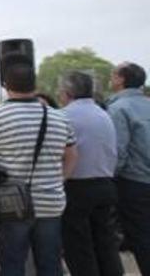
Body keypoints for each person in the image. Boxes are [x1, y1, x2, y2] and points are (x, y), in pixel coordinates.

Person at [0, 63, 78, 276]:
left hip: (11, 203)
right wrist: (60, 180)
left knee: (12, 263)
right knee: (50, 263)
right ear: (35, 84)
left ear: (5, 85)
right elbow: (72, 155)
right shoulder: (60, 117)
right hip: (51, 201)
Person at [58, 71, 123, 276]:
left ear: (67, 92)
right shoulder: (104, 113)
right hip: (105, 184)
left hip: (77, 186)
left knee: (79, 247)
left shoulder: (63, 116)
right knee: (106, 243)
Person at [107, 62, 150, 275]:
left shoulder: (118, 108)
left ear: (121, 79)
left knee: (142, 239)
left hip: (134, 183)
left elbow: (118, 152)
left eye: (113, 74)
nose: (110, 77)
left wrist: (108, 178)